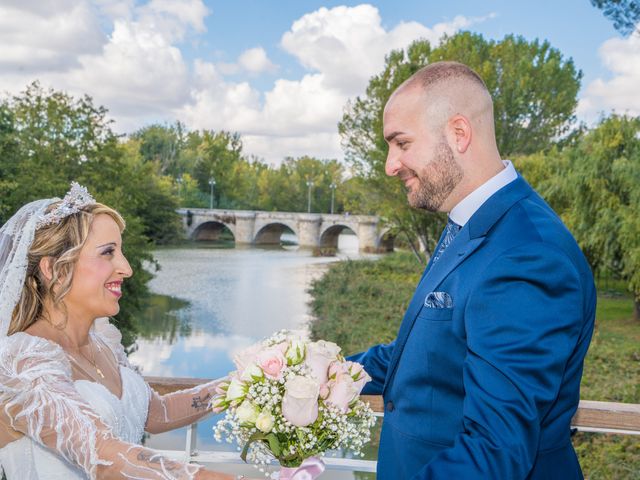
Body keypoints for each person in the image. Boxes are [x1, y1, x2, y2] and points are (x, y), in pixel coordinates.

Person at [348, 61, 597, 479]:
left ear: (458, 134)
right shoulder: (471, 224)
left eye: (402, 143)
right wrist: (324, 371)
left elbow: (494, 453)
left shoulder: (526, 256)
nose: (391, 165)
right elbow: (428, 356)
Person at [0, 183, 240, 479]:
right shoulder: (23, 363)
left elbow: (157, 412)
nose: (126, 268)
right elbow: (104, 453)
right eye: (108, 253)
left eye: (121, 251)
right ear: (54, 270)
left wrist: (243, 383)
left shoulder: (104, 343)